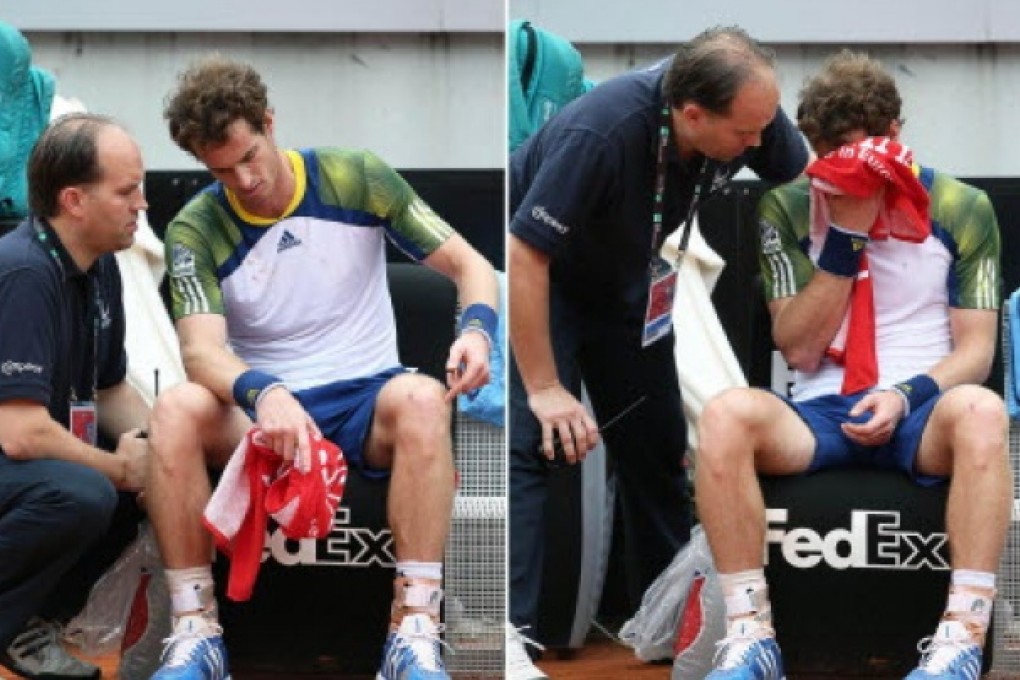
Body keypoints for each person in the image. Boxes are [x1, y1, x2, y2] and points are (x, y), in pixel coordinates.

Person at [145, 55, 498, 680]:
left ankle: (413, 634)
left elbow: (470, 265)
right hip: (261, 415)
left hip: (367, 398)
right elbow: (200, 352)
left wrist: (476, 332)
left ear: (269, 122)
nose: (244, 179)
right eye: (221, 170)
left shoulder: (354, 175)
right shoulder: (193, 227)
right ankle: (196, 632)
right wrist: (265, 392)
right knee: (175, 409)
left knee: (422, 398)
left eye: (249, 156)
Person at [695, 50, 1011, 680]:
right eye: (830, 158)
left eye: (861, 155)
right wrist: (845, 237)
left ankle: (961, 640)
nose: (847, 174)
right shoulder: (788, 205)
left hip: (923, 410)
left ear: (894, 135)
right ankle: (752, 635)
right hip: (820, 409)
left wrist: (905, 393)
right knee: (725, 414)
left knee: (983, 410)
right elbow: (799, 349)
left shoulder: (962, 205)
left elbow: (976, 353)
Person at [507, 25, 808, 678]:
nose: (757, 144)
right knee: (532, 443)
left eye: (765, 126)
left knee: (659, 447)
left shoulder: (744, 105)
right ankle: (513, 636)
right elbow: (525, 253)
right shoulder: (601, 131)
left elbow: (796, 171)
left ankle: (671, 625)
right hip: (551, 281)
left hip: (632, 284)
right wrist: (545, 387)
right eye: (745, 133)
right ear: (692, 115)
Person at [0, 112, 151, 679]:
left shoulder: (102, 265)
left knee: (147, 479)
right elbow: (20, 434)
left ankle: (29, 623)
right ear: (74, 201)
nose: (142, 204)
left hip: (29, 465)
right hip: (17, 455)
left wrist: (163, 448)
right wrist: (120, 468)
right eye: (126, 191)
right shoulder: (23, 272)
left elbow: (110, 390)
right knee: (86, 491)